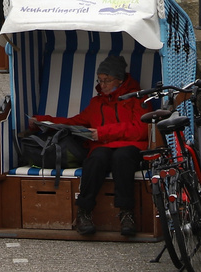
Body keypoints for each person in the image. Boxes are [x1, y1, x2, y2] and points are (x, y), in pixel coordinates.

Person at [27, 55, 147, 237]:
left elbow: (141, 128)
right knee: (95, 159)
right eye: (100, 80)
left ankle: (126, 213)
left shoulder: (137, 99)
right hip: (103, 146)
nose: (102, 84)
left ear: (120, 80)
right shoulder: (96, 103)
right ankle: (84, 212)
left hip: (130, 146)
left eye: (107, 80)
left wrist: (103, 133)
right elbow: (75, 122)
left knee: (122, 157)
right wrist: (44, 121)